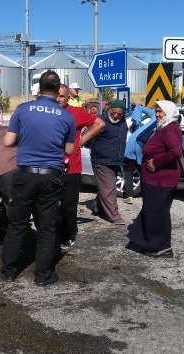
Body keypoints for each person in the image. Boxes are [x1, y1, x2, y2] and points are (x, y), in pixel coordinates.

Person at [0, 70, 75, 287]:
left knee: (17, 225)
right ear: (58, 88)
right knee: (46, 228)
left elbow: (7, 141)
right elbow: (69, 150)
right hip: (50, 177)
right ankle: (42, 275)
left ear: (39, 88)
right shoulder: (66, 116)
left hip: (25, 174)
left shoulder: (23, 110)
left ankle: (8, 272)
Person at [125, 101, 184, 258]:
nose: (157, 114)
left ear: (169, 113)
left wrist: (156, 162)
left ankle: (163, 247)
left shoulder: (170, 129)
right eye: (156, 111)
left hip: (161, 180)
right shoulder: (162, 128)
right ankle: (150, 242)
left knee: (158, 213)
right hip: (154, 179)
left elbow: (176, 151)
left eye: (161, 112)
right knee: (152, 211)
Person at [56, 84, 105, 249]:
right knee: (51, 205)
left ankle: (69, 233)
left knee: (68, 205)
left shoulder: (75, 113)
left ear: (68, 98)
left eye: (62, 96)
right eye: (56, 95)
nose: (58, 99)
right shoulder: (49, 113)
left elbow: (99, 123)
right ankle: (55, 233)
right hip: (51, 166)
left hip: (72, 167)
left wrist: (83, 139)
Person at [88, 99, 129, 225]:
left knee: (105, 188)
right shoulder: (99, 121)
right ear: (109, 109)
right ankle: (114, 216)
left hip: (115, 161)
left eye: (119, 114)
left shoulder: (122, 122)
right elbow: (87, 136)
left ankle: (98, 207)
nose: (116, 116)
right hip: (102, 160)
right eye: (113, 113)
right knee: (109, 188)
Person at [121, 105, 158, 204]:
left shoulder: (154, 114)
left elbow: (138, 107)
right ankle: (148, 195)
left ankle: (129, 196)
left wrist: (137, 123)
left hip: (134, 141)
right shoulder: (166, 122)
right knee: (144, 171)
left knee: (129, 171)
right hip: (143, 146)